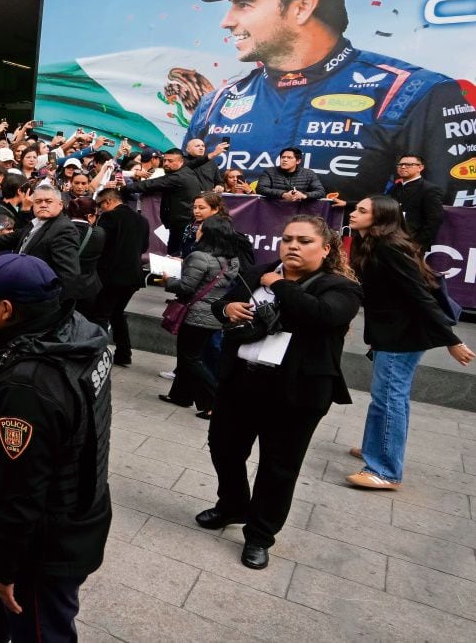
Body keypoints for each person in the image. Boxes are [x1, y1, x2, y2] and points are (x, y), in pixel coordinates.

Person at [188, 0, 476, 205]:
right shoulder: (216, 103)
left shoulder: (417, 94)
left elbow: (452, 227)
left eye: (245, 4)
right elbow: (185, 198)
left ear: (302, 7)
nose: (226, 21)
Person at [0, 254, 111, 642]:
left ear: (7, 309)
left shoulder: (27, 387)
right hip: (63, 518)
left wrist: (7, 568)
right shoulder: (76, 331)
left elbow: (20, 492)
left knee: (40, 629)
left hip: (43, 545)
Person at [202, 216, 362, 570]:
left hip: (296, 392)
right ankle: (232, 506)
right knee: (224, 449)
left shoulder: (340, 287)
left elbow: (321, 316)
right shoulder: (258, 271)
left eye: (304, 241)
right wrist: (227, 309)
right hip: (240, 382)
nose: (292, 245)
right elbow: (220, 306)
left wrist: (278, 286)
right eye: (287, 238)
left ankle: (259, 536)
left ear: (325, 248)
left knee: (279, 467)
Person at [345, 195, 474, 490]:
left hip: (403, 335)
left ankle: (386, 471)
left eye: (362, 210)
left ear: (380, 218)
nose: (353, 213)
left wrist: (451, 341)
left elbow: (421, 296)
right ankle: (374, 450)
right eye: (356, 208)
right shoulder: (371, 245)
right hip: (389, 332)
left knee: (390, 397)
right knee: (384, 398)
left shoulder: (390, 248)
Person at [160, 216, 240, 418]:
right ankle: (181, 395)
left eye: (201, 228)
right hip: (214, 313)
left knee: (190, 357)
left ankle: (214, 401)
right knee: (190, 355)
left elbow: (186, 286)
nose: (197, 231)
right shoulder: (231, 259)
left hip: (196, 313)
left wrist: (168, 280)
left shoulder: (199, 256)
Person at [0, 184, 84, 309]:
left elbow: (69, 275)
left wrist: (59, 309)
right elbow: (10, 238)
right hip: (28, 295)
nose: (43, 205)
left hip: (45, 302)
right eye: (38, 201)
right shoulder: (37, 222)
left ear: (60, 204)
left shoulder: (64, 229)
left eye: (48, 201)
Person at [91, 188, 150, 367]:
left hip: (112, 275)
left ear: (108, 202)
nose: (99, 210)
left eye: (100, 206)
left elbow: (99, 243)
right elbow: (144, 247)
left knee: (100, 314)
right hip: (133, 276)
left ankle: (96, 355)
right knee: (117, 313)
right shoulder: (142, 220)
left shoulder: (109, 217)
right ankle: (124, 353)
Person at [121, 149, 208, 255]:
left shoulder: (177, 177)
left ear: (181, 162)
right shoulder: (185, 170)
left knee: (175, 254)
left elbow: (151, 184)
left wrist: (123, 189)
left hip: (181, 222)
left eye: (170, 161)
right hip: (183, 220)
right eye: (165, 160)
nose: (166, 163)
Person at [388, 154, 445, 251]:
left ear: (420, 167)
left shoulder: (430, 189)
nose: (403, 167)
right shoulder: (394, 188)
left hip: (412, 244)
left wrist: (418, 243)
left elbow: (434, 219)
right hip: (389, 240)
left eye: (408, 165)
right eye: (400, 164)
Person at [255, 148, 326, 202]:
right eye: (283, 157)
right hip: (274, 209)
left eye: (289, 158)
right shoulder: (269, 172)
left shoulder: (309, 173)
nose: (284, 160)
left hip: (300, 212)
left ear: (298, 161)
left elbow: (321, 192)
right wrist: (283, 194)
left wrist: (304, 195)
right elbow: (260, 189)